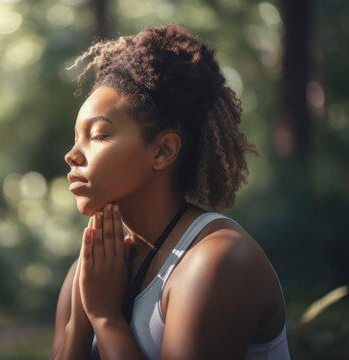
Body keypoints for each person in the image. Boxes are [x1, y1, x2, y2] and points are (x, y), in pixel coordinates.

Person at [50, 24, 290, 360]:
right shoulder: (90, 271)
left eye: (99, 135)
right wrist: (79, 322)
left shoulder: (217, 260)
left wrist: (106, 319)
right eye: (77, 137)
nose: (72, 156)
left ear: (163, 151)